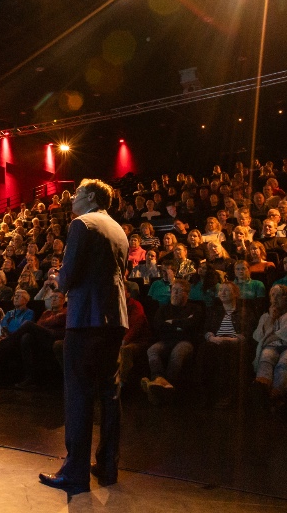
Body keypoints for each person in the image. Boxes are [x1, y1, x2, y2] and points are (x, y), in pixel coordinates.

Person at [40, 179, 129, 493]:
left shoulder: (82, 224)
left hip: (86, 319)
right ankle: (108, 466)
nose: (72, 198)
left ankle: (75, 471)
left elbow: (69, 275)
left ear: (90, 197)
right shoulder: (118, 229)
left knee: (78, 394)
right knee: (110, 394)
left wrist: (56, 278)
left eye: (76, 193)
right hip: (115, 319)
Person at [141, 279, 202, 404]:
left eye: (179, 290)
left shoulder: (195, 308)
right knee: (152, 350)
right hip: (166, 340)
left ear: (187, 294)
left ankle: (166, 383)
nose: (175, 293)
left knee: (178, 352)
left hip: (186, 341)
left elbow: (193, 325)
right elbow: (158, 326)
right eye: (173, 290)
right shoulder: (164, 309)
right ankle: (158, 380)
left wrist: (171, 323)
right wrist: (181, 325)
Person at [197, 281, 256, 408]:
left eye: (227, 290)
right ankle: (206, 393)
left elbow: (247, 332)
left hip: (235, 342)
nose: (222, 293)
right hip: (216, 341)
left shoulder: (244, 311)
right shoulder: (214, 311)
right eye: (220, 290)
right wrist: (211, 338)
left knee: (225, 351)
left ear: (235, 294)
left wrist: (231, 339)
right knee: (205, 349)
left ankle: (227, 395)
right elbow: (206, 330)